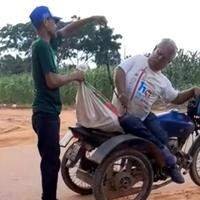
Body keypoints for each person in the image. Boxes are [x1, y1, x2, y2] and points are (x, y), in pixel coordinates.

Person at [29, 6, 107, 200]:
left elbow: (68, 30)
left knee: (50, 160)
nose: (57, 25)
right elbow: (51, 81)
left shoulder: (49, 43)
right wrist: (75, 76)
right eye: (54, 21)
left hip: (47, 113)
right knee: (50, 161)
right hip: (45, 113)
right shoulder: (41, 46)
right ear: (46, 22)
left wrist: (91, 18)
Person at [112, 38, 200, 184]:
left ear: (168, 63)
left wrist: (192, 91)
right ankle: (170, 162)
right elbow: (119, 71)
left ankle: (162, 163)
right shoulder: (138, 60)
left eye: (164, 58)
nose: (159, 58)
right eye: (159, 53)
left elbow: (176, 98)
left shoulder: (163, 81)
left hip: (144, 115)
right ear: (154, 48)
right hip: (122, 114)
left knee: (161, 134)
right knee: (145, 133)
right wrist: (121, 93)